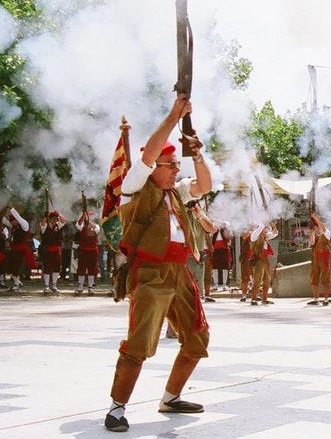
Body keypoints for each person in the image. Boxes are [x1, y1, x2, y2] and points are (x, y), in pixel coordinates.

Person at [104, 93, 212, 432]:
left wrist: (196, 153)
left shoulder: (177, 191)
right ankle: (117, 408)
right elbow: (150, 153)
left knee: (198, 337)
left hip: (179, 272)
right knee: (139, 342)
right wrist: (173, 115)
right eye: (172, 164)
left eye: (176, 165)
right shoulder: (136, 185)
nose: (175, 169)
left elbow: (205, 184)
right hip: (148, 272)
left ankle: (171, 398)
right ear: (155, 168)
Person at [2, 208, 35, 292]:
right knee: (7, 266)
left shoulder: (24, 226)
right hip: (14, 250)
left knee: (15, 266)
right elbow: (4, 220)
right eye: (12, 221)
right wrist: (4, 211)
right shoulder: (14, 227)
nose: (12, 222)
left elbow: (18, 217)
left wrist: (12, 209)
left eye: (14, 220)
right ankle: (17, 281)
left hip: (21, 250)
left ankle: (16, 285)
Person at [249, 221, 278, 306]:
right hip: (258, 260)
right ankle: (253, 299)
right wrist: (263, 222)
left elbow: (275, 233)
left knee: (267, 280)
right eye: (266, 230)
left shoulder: (265, 237)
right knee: (257, 280)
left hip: (265, 260)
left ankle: (264, 299)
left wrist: (273, 226)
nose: (267, 232)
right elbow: (260, 227)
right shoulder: (254, 236)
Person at [39, 210, 67, 295]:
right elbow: (42, 222)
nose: (55, 220)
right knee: (47, 268)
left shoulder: (58, 225)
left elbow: (64, 220)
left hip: (56, 250)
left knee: (56, 268)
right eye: (53, 218)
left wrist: (58, 214)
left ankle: (54, 284)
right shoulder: (45, 226)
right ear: (49, 219)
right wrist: (45, 215)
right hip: (48, 250)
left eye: (56, 218)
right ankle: (46, 285)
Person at [308, 212, 331, 306]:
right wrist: (312, 232)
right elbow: (311, 242)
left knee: (325, 279)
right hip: (316, 258)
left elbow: (323, 229)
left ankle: (326, 299)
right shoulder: (315, 234)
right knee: (314, 279)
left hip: (324, 258)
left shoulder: (327, 232)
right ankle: (316, 299)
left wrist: (316, 218)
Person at [75, 210, 101, 295]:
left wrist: (89, 221)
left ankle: (90, 286)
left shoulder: (96, 226)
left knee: (92, 268)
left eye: (92, 215)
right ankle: (80, 286)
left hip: (93, 250)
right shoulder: (82, 225)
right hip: (83, 250)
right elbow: (78, 225)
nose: (90, 216)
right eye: (89, 215)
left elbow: (96, 229)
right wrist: (82, 217)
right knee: (81, 268)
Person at [210, 224, 232, 291]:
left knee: (225, 267)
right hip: (215, 249)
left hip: (224, 249)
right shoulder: (214, 226)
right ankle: (215, 284)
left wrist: (225, 226)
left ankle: (224, 284)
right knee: (214, 267)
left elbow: (230, 236)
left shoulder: (226, 225)